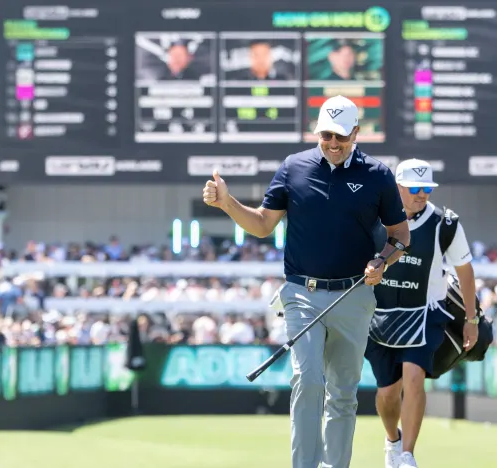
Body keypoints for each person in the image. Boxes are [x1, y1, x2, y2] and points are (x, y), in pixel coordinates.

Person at [202, 94, 410, 468]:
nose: (332, 143)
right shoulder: (293, 167)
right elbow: (264, 224)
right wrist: (227, 204)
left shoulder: (377, 175)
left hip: (354, 294)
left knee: (343, 394)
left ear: (356, 133)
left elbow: (400, 235)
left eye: (340, 137)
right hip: (301, 293)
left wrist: (382, 261)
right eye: (325, 135)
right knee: (309, 380)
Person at [364, 158, 479, 468]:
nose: (422, 194)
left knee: (414, 379)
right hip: (380, 316)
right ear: (397, 188)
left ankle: (407, 455)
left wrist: (472, 319)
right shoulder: (373, 218)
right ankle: (392, 440)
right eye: (415, 188)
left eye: (427, 188)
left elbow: (465, 272)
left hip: (426, 314)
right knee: (387, 394)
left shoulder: (446, 223)